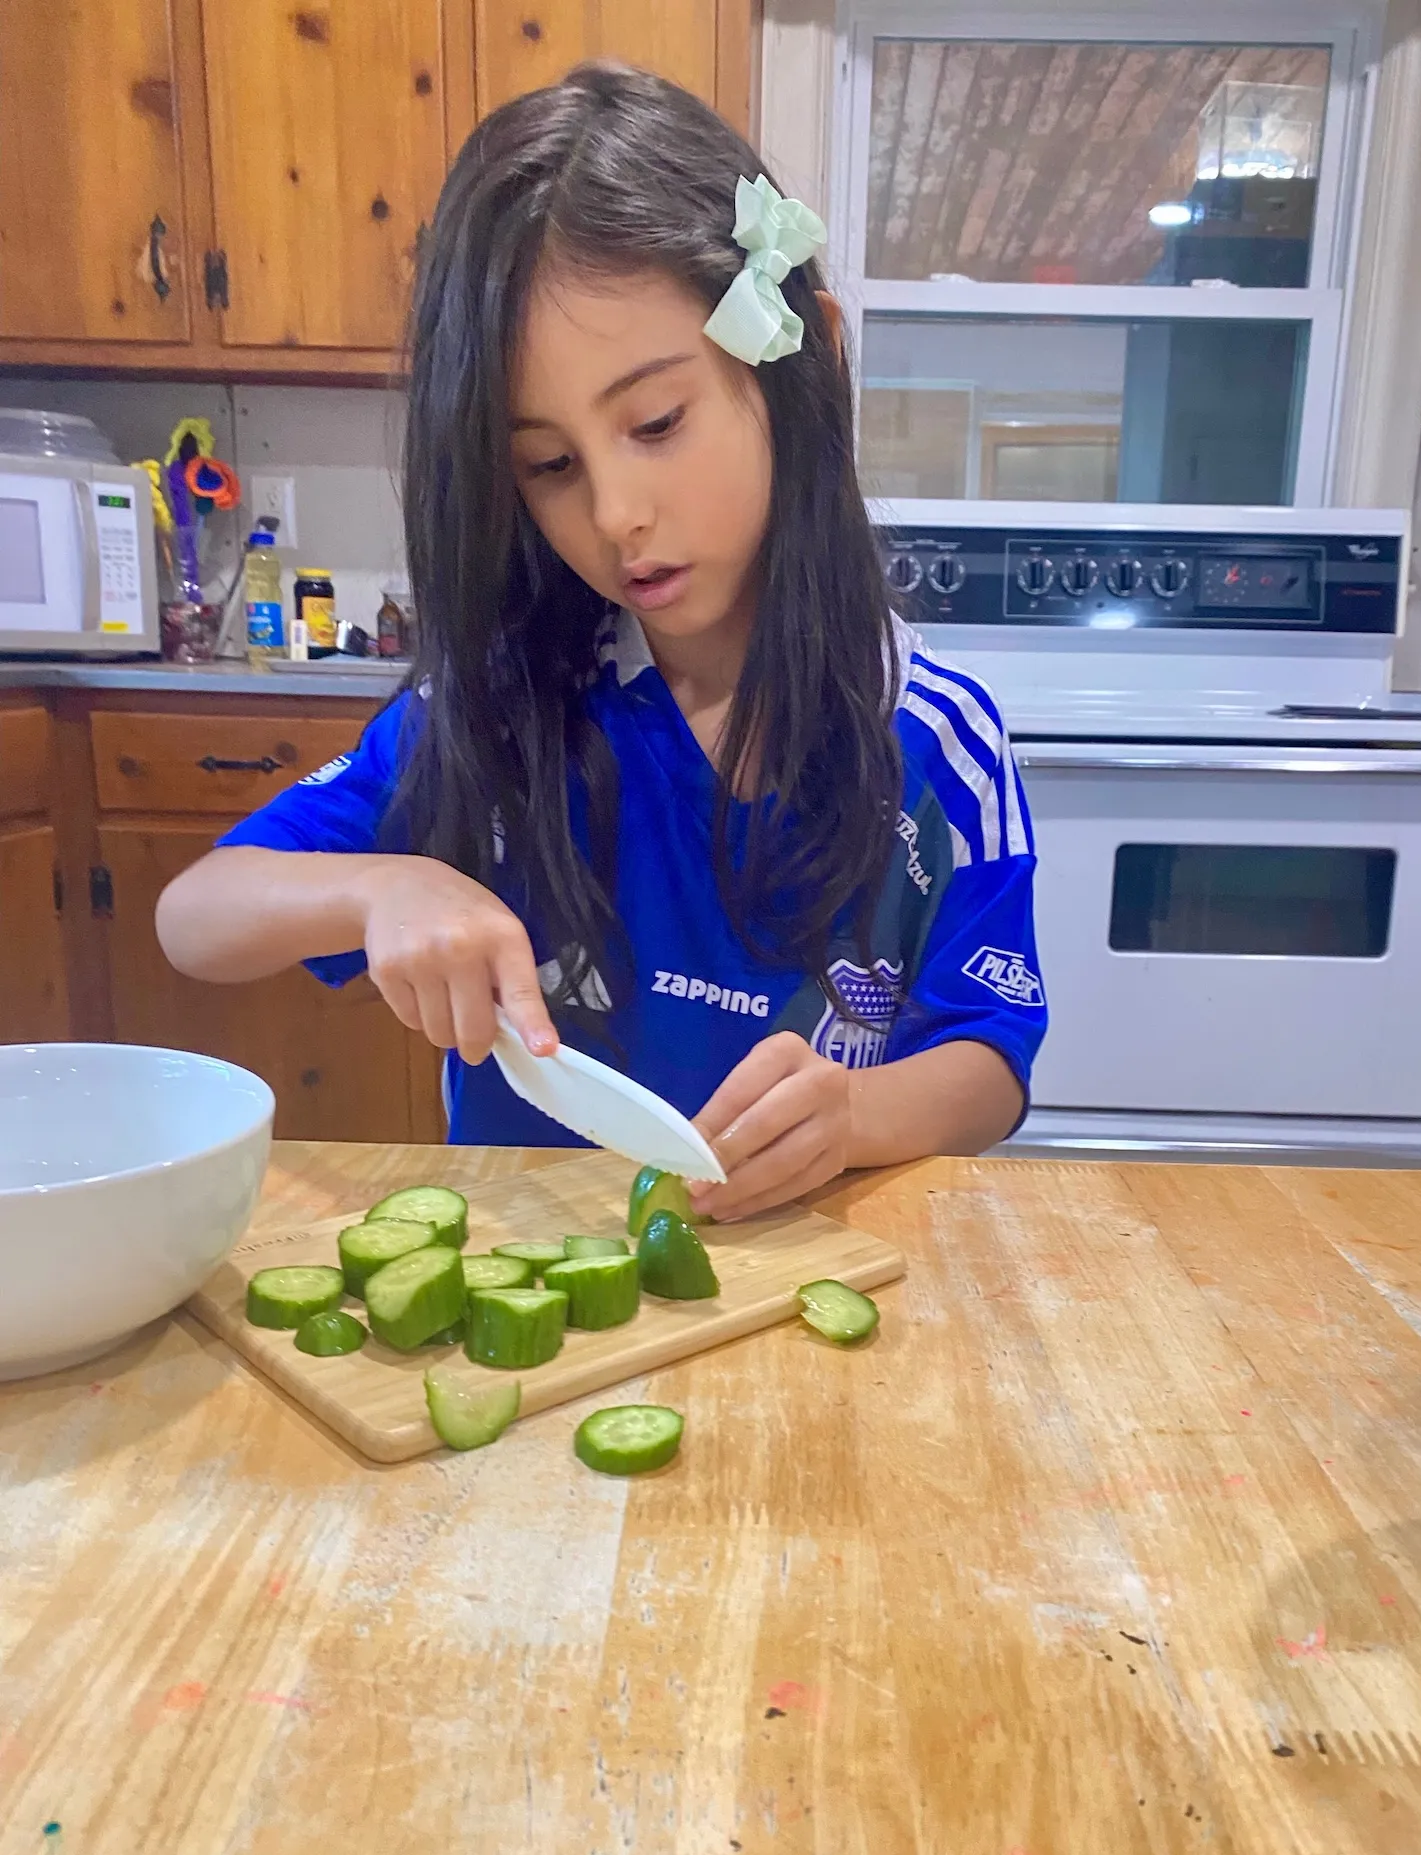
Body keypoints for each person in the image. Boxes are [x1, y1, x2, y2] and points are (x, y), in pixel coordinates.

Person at [156, 62, 1046, 1222]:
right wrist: (381, 889)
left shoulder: (938, 740)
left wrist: (857, 1116)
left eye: (658, 422)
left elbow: (991, 1064)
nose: (616, 513)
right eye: (551, 465)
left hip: (809, 1262)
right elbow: (195, 917)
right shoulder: (500, 703)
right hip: (537, 1277)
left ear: (803, 361)